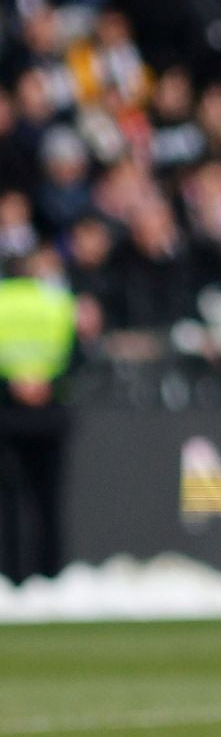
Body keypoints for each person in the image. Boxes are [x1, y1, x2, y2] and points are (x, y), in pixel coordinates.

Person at [0, 248, 77, 584]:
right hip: (50, 409)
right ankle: (51, 575)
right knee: (48, 500)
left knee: (8, 502)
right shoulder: (58, 302)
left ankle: (11, 575)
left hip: (6, 409)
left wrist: (14, 380)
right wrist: (45, 380)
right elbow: (76, 356)